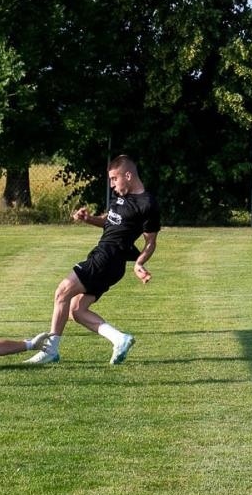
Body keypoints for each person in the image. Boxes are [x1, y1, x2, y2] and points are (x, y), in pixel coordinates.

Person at [27, 154, 160, 364]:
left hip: (107, 258)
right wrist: (89, 219)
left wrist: (140, 263)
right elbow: (111, 221)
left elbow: (150, 242)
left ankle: (50, 350)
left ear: (128, 175)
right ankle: (119, 339)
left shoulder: (147, 204)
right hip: (108, 262)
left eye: (114, 179)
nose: (112, 185)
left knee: (62, 291)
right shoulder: (121, 196)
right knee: (76, 310)